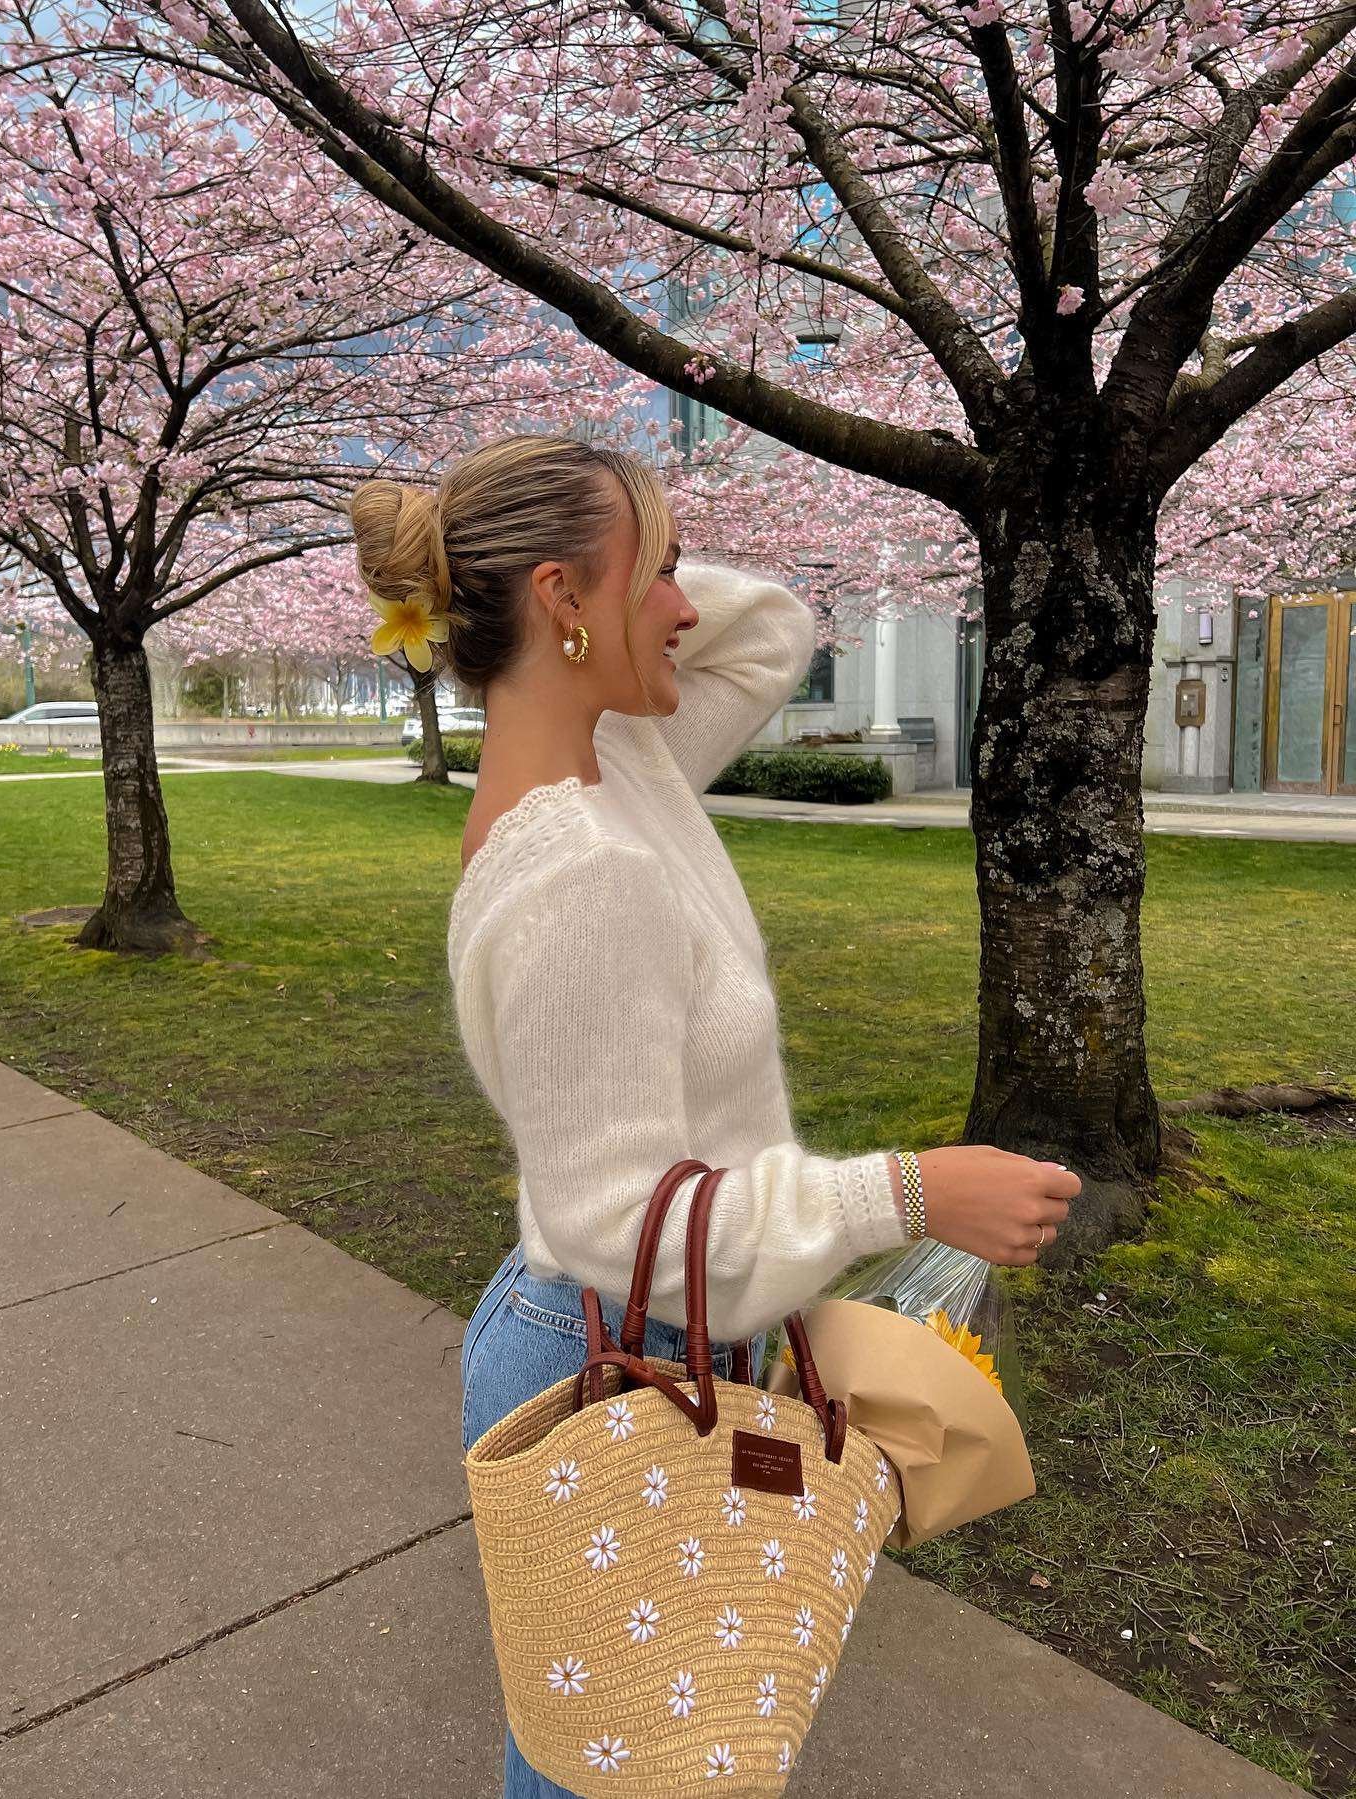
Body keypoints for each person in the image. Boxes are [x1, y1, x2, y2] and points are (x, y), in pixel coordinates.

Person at [350, 433, 1080, 1798]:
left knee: (624, 1750)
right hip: (615, 1347)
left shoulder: (619, 760)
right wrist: (915, 1195)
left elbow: (772, 634)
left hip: (641, 1332)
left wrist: (617, 543)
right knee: (620, 1769)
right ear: (564, 601)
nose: (692, 604)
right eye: (664, 573)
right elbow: (617, 1218)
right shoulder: (585, 867)